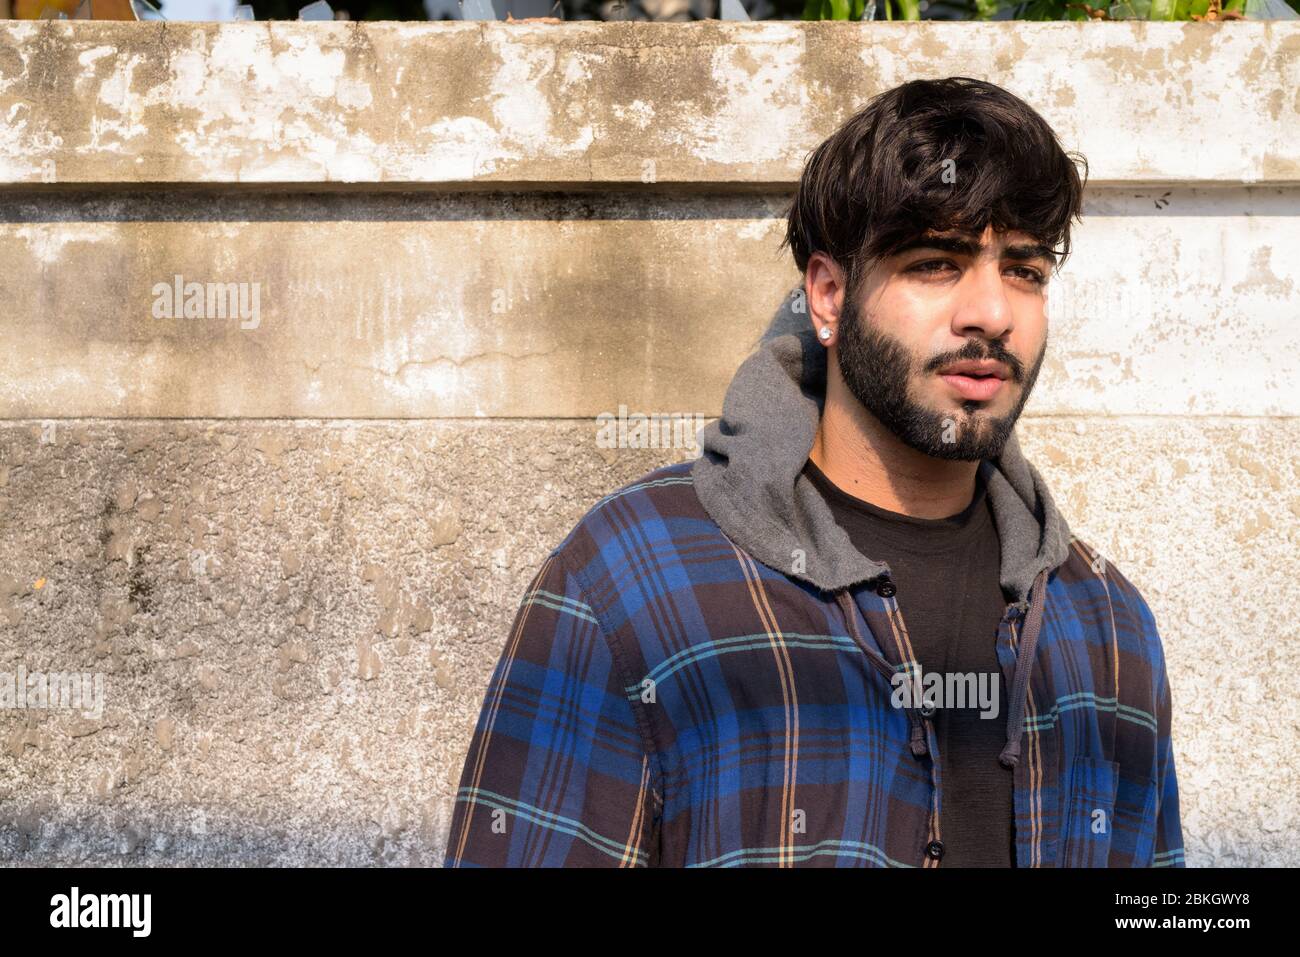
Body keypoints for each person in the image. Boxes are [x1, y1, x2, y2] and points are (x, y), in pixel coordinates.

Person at [444, 76, 1184, 868]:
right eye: (938, 262)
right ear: (828, 295)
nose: (992, 313)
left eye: (1025, 271)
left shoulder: (1107, 625)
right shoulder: (633, 581)